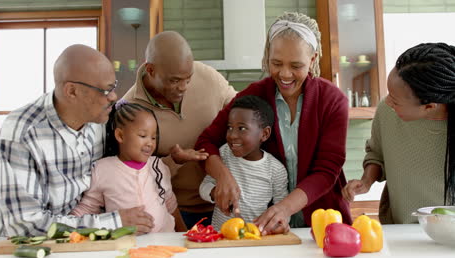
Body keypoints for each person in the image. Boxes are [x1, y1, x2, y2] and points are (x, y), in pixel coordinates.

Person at [195, 12, 352, 235]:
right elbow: (206, 141)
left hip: (322, 222)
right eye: (276, 63)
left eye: (296, 65)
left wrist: (284, 208)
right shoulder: (253, 95)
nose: (284, 74)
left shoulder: (333, 101)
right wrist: (222, 176)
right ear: (267, 55)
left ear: (313, 59)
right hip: (265, 228)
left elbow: (327, 169)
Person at [0, 44, 154, 236]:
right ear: (72, 91)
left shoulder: (101, 119)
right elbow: (25, 225)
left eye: (113, 87)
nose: (114, 97)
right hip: (16, 248)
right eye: (106, 90)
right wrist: (114, 222)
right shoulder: (21, 132)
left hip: (77, 239)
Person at [122, 31, 237, 228]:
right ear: (150, 70)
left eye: (188, 79)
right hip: (174, 213)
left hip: (225, 207)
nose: (183, 87)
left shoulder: (207, 76)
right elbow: (132, 173)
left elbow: (243, 112)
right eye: (174, 81)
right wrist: (172, 162)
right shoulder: (129, 109)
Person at [342, 43, 455, 224]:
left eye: (395, 100)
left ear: (429, 107)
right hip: (399, 230)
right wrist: (366, 181)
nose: (388, 102)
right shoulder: (386, 112)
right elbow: (377, 154)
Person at [71, 101, 183, 232]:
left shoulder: (158, 166)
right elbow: (88, 208)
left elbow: (170, 204)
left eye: (153, 138)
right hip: (126, 246)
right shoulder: (102, 169)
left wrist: (185, 232)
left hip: (166, 243)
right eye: (143, 136)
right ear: (120, 135)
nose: (150, 143)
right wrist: (67, 227)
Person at [199, 95, 289, 230]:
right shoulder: (223, 154)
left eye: (241, 128)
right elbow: (204, 186)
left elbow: (282, 208)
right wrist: (216, 193)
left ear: (264, 134)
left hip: (255, 239)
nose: (232, 135)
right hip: (220, 238)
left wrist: (278, 225)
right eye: (229, 127)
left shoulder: (276, 169)